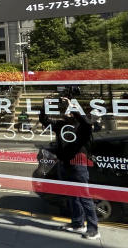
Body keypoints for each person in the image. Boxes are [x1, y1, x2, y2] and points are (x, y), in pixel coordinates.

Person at [40, 96, 98, 240]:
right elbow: (45, 121)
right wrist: (45, 105)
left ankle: (93, 229)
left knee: (84, 197)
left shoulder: (83, 127)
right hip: (65, 164)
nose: (65, 112)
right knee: (72, 197)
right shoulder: (61, 125)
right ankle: (78, 223)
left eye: (68, 111)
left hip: (78, 165)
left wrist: (72, 105)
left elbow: (86, 120)